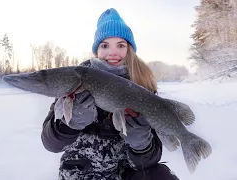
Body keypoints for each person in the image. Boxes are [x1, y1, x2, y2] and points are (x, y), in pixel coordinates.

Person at [41, 8, 179, 180]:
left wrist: (142, 144)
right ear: (96, 51)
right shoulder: (75, 80)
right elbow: (51, 144)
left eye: (120, 45)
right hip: (80, 173)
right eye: (105, 45)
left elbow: (149, 161)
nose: (113, 53)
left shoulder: (143, 86)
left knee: (160, 176)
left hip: (125, 173)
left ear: (129, 50)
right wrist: (69, 124)